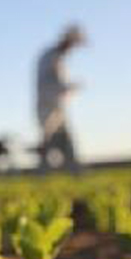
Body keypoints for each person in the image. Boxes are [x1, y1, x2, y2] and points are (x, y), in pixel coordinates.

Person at [35, 25, 85, 172]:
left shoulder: (57, 57)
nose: (73, 48)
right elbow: (50, 84)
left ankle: (73, 171)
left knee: (65, 141)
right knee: (49, 141)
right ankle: (44, 174)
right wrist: (70, 87)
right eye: (73, 44)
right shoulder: (51, 57)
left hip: (56, 107)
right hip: (47, 107)